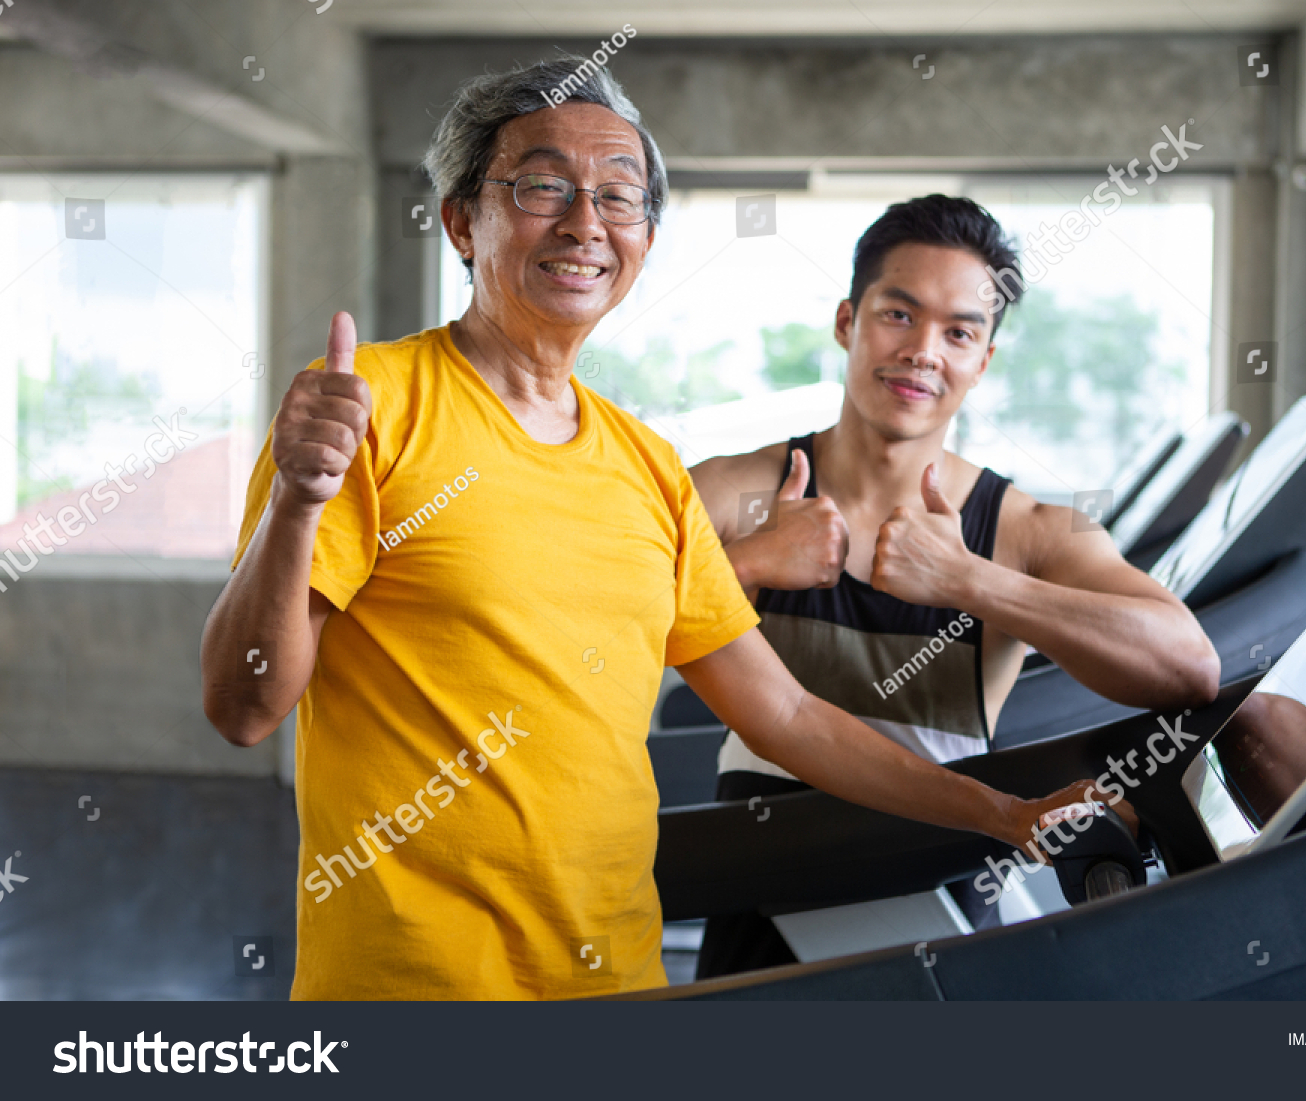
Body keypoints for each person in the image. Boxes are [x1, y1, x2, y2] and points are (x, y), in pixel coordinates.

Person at [199, 62, 1113, 1000]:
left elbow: (788, 715)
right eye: (544, 185)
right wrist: (298, 505)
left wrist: (1006, 813)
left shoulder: (645, 464)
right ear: (463, 219)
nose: (585, 222)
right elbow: (243, 707)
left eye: (619, 197)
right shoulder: (367, 410)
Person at [688, 195, 1219, 978]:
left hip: (936, 896)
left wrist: (972, 579)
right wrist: (745, 567)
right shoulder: (736, 493)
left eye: (959, 331)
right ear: (847, 321)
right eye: (898, 315)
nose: (923, 351)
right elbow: (587, 626)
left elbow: (1188, 664)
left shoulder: (1026, 528)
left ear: (984, 359)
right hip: (764, 882)